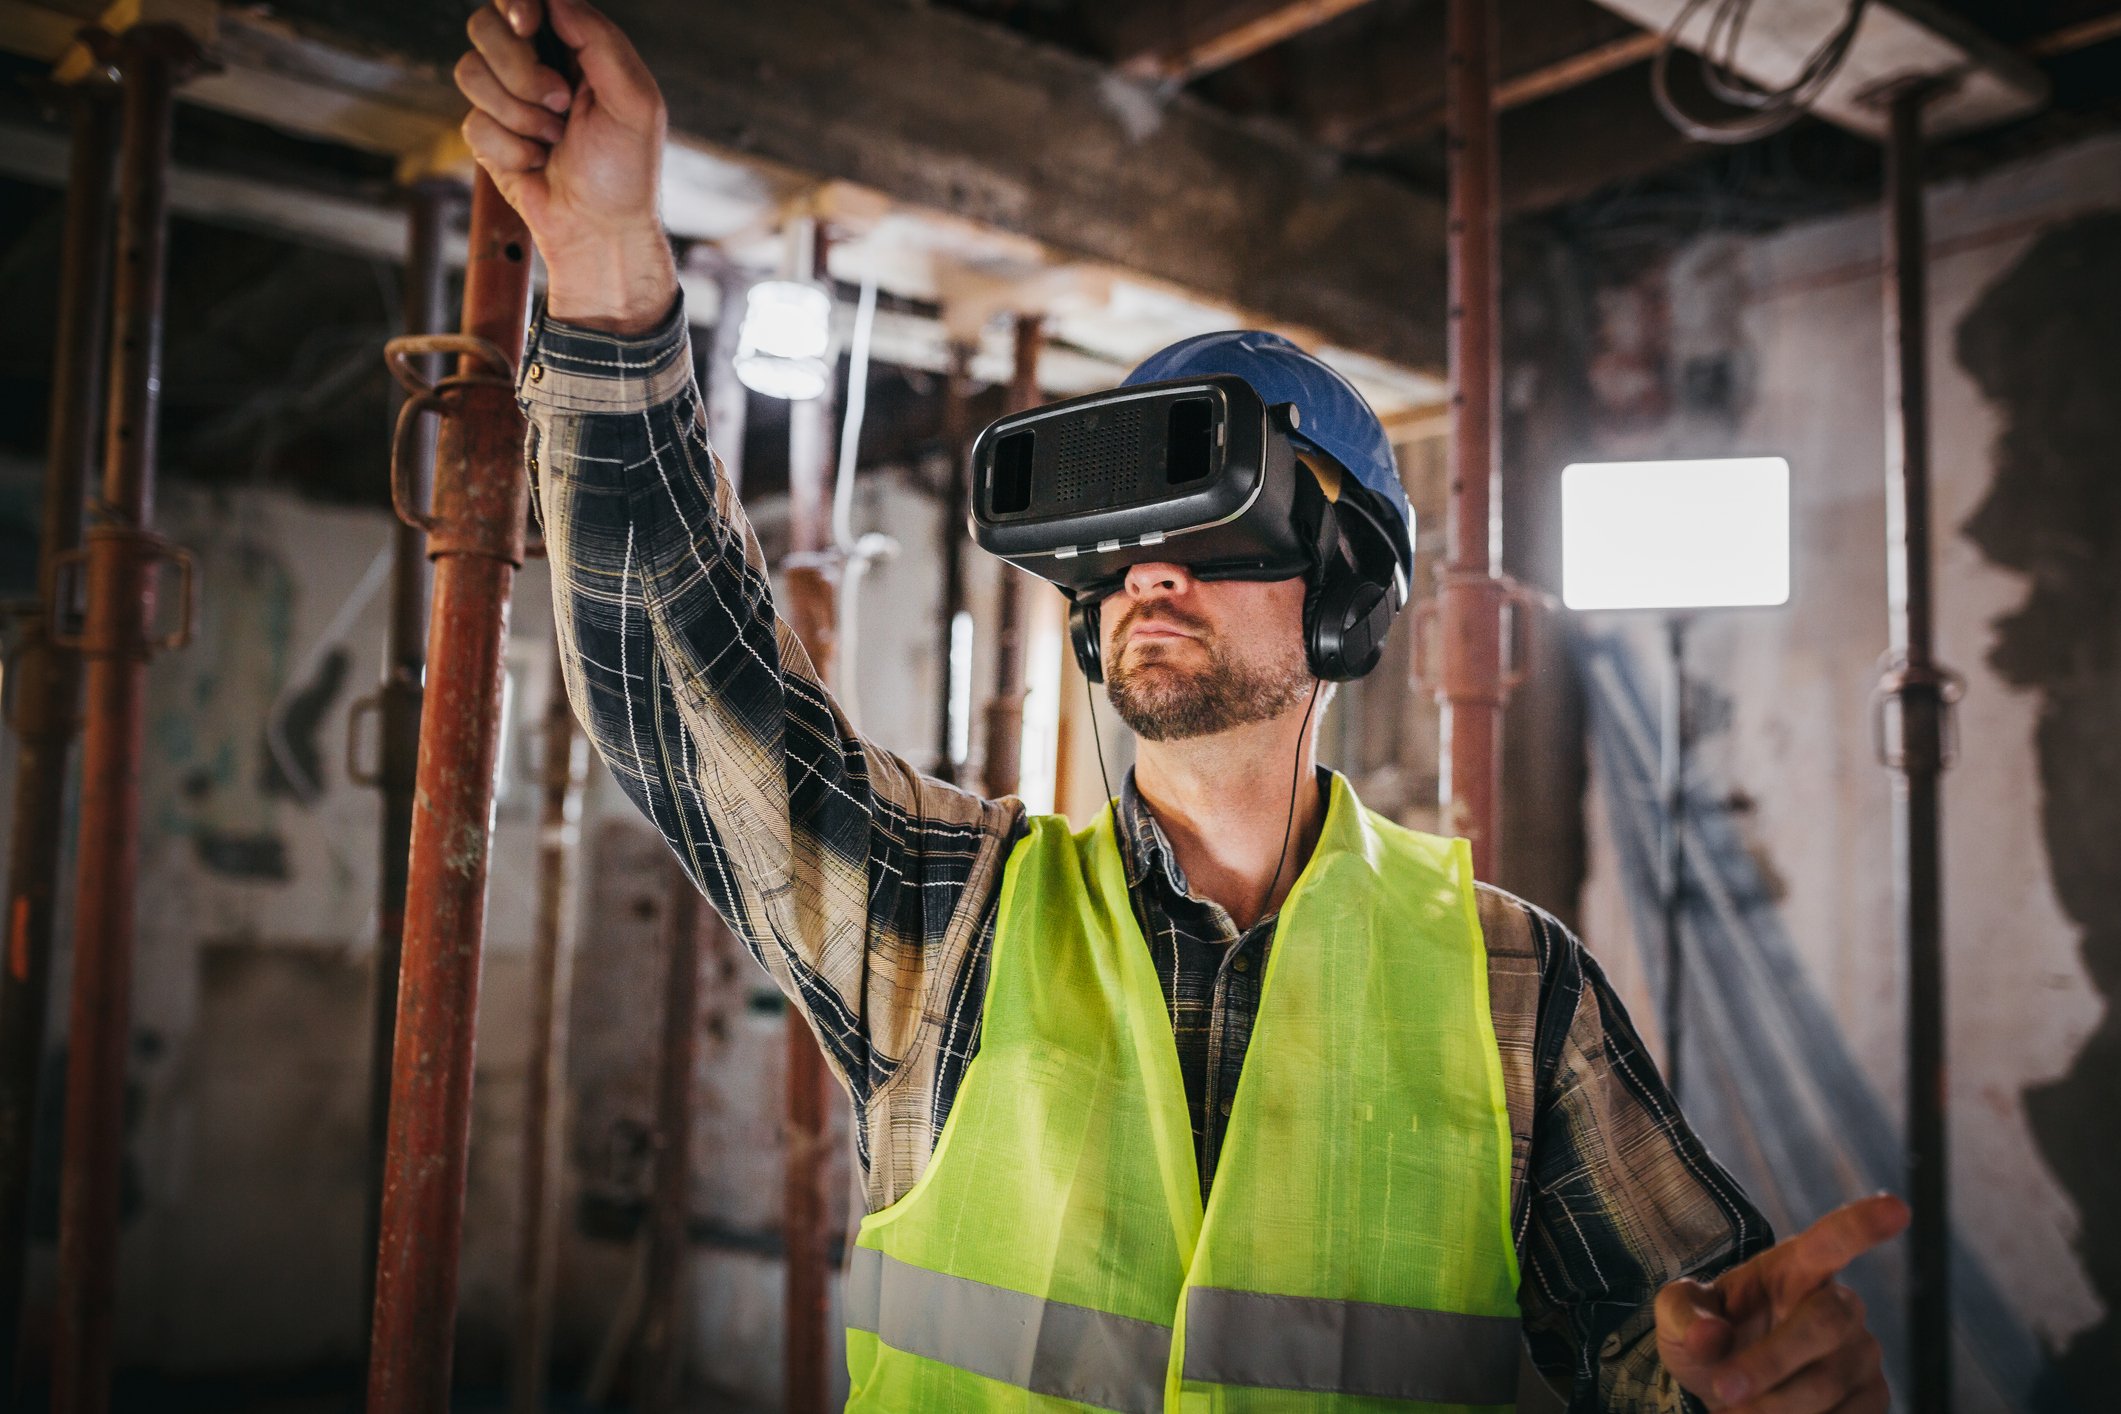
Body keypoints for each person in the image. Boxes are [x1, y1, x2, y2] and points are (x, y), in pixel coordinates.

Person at [457, 0, 1904, 1407]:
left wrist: (1743, 1383)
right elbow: (683, 682)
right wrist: (602, 266)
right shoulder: (944, 918)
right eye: (1115, 542)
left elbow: (1682, 1340)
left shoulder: (1511, 988)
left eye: (1209, 521)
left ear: (1344, 589)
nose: (1146, 570)